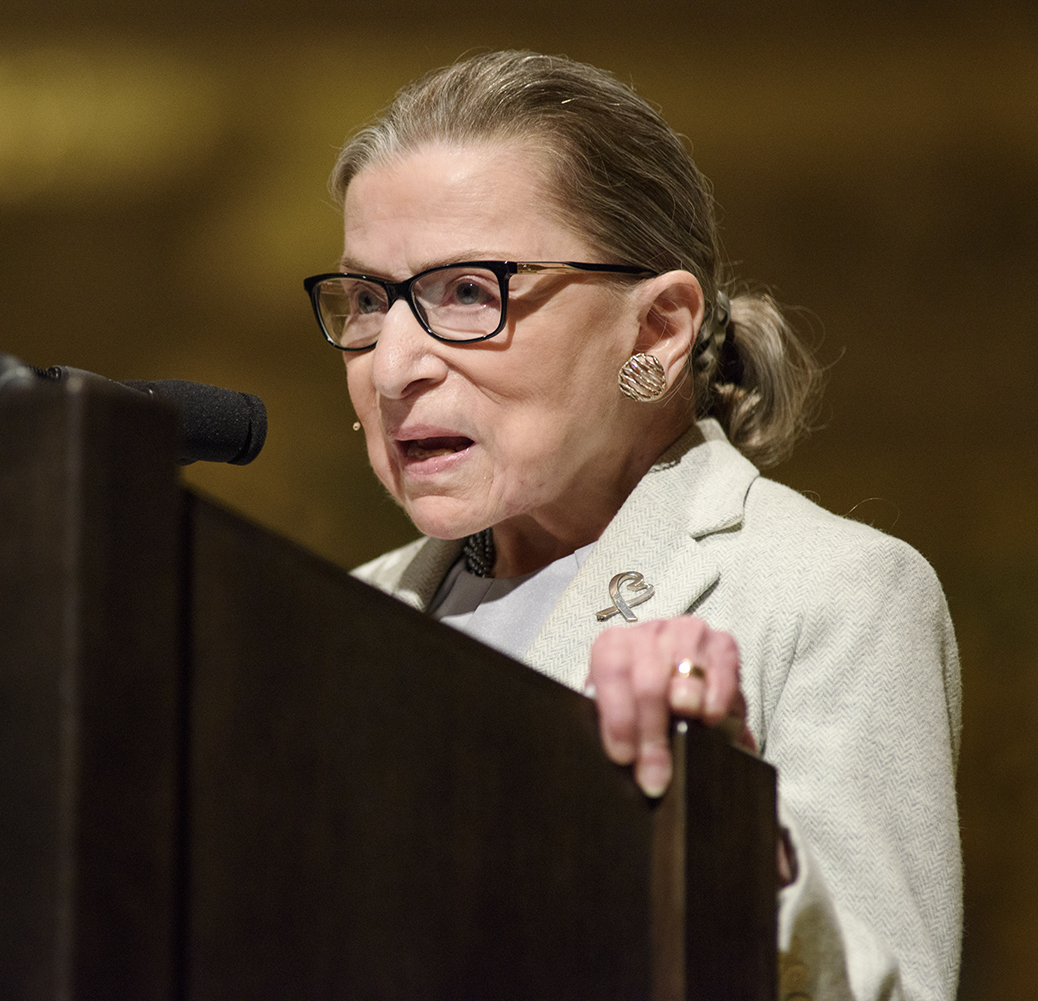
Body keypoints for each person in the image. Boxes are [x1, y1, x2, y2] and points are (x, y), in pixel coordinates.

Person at [303, 51, 960, 1001]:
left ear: (655, 331)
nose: (394, 362)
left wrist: (731, 835)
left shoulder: (833, 592)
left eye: (468, 292)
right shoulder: (338, 617)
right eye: (369, 300)